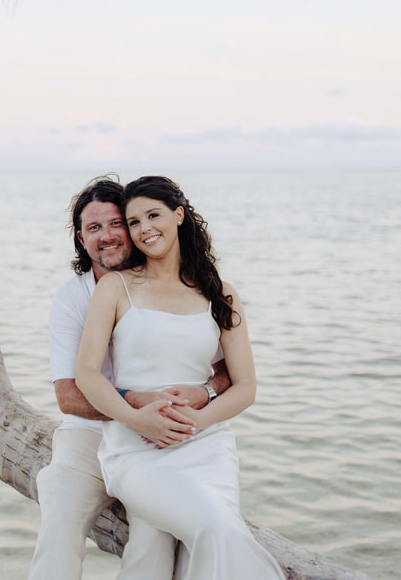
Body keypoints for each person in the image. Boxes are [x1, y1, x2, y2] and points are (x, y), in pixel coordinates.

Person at [75, 176, 284, 580]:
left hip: (206, 446)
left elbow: (245, 386)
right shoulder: (116, 287)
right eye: (133, 222)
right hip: (134, 448)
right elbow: (87, 374)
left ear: (179, 215)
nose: (144, 229)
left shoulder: (219, 292)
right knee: (214, 526)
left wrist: (197, 420)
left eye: (153, 215)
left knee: (203, 533)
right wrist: (136, 419)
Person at [30, 176, 233, 580]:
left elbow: (226, 370)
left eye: (116, 223)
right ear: (80, 238)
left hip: (157, 438)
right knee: (61, 510)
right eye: (94, 228)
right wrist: (134, 405)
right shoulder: (73, 297)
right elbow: (69, 397)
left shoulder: (169, 286)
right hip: (89, 434)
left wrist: (205, 391)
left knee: (155, 535)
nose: (107, 236)